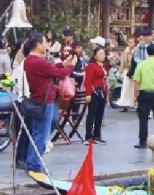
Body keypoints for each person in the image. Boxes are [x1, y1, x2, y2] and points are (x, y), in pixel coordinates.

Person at [22, 34, 76, 171]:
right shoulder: (38, 62)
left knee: (36, 134)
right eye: (45, 43)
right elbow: (59, 74)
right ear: (38, 45)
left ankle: (31, 161)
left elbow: (51, 68)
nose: (46, 46)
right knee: (42, 135)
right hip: (44, 101)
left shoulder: (30, 60)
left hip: (37, 99)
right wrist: (71, 66)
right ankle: (34, 164)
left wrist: (63, 64)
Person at [82, 46, 108, 145]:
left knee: (99, 115)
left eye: (103, 54)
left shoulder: (102, 66)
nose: (102, 56)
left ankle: (97, 135)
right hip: (94, 92)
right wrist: (88, 94)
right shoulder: (91, 66)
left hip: (102, 92)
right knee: (92, 114)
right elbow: (88, 81)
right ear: (95, 55)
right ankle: (88, 136)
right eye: (100, 54)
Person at [114, 33, 139, 111]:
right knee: (125, 88)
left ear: (135, 43)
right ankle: (125, 105)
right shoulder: (126, 50)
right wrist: (120, 72)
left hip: (135, 71)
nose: (130, 44)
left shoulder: (137, 51)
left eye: (132, 42)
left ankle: (135, 104)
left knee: (134, 88)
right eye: (129, 42)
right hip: (127, 71)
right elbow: (123, 62)